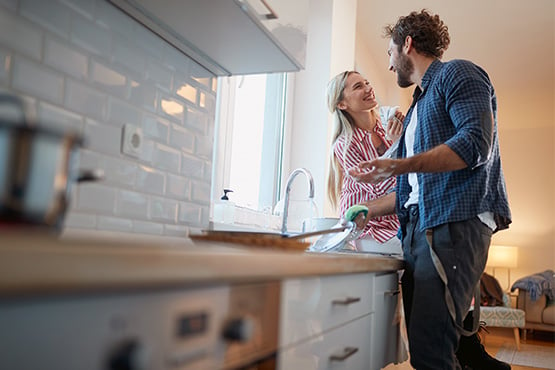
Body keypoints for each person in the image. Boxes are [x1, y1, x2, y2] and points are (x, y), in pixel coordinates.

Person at [348, 9, 512, 370]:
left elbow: (474, 145)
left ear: (407, 44)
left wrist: (399, 164)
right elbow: (415, 191)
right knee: (445, 349)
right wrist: (368, 209)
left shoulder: (457, 73)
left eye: (390, 53)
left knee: (431, 351)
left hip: (452, 224)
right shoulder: (419, 104)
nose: (390, 66)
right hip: (425, 228)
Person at [326, 71, 404, 254]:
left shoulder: (387, 127)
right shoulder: (345, 145)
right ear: (342, 104)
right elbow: (380, 189)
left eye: (367, 82)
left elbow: (412, 174)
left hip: (394, 224)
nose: (368, 88)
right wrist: (397, 146)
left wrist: (406, 135)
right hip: (366, 230)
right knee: (416, 250)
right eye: (358, 86)